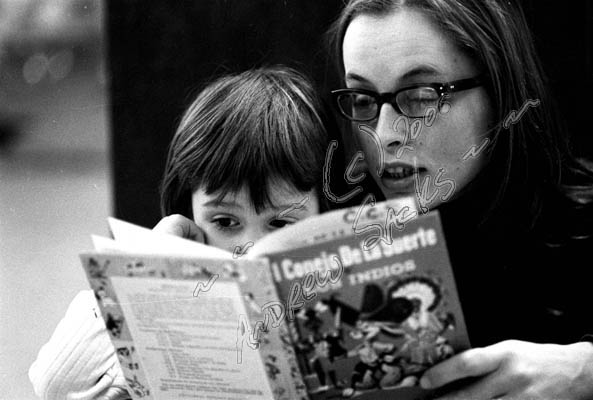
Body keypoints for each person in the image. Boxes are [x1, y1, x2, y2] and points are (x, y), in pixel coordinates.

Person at [327, 0, 593, 398]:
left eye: (419, 96)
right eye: (363, 99)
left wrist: (585, 372)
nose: (384, 136)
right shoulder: (333, 226)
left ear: (500, 91)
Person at [28, 66, 329, 399]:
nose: (251, 250)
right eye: (226, 222)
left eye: (281, 223)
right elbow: (55, 387)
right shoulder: (164, 325)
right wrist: (141, 273)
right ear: (190, 216)